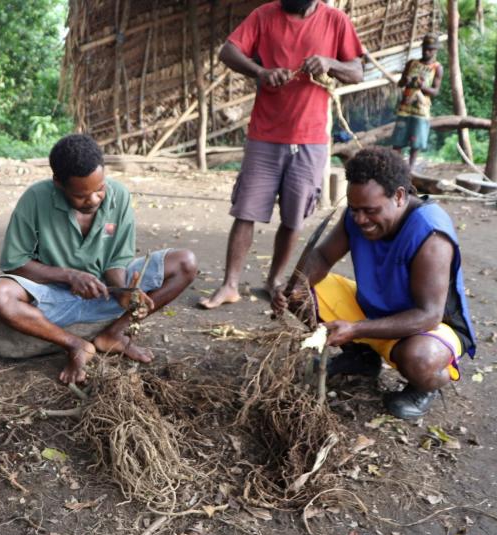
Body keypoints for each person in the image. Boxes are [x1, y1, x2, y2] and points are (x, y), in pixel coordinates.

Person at [272, 147, 477, 419]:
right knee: (302, 293)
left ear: (400, 196)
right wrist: (293, 288)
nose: (360, 220)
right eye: (354, 209)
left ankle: (425, 385)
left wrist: (356, 328)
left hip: (426, 328)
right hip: (372, 311)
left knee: (421, 359)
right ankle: (362, 357)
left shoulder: (431, 233)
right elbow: (321, 256)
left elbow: (428, 315)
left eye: (370, 211)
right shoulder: (357, 214)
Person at [0, 134, 197, 385]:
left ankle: (114, 333)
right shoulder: (36, 199)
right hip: (53, 299)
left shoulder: (119, 195)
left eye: (99, 189)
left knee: (185, 262)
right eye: (81, 196)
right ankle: (76, 344)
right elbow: (15, 262)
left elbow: (117, 259)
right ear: (59, 184)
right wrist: (69, 276)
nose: (94, 199)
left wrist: (124, 291)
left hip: (104, 292)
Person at [199, 0, 364, 310]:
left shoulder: (336, 21)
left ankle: (274, 280)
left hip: (311, 138)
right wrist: (259, 71)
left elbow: (356, 71)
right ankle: (230, 284)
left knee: (294, 215)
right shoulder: (264, 15)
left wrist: (330, 63)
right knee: (246, 211)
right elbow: (228, 51)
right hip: (265, 134)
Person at [391, 34, 444, 168]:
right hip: (405, 108)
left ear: (435, 50)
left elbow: (436, 92)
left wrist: (422, 87)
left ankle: (411, 169)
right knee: (398, 141)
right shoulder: (412, 63)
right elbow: (400, 84)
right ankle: (397, 167)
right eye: (425, 49)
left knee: (416, 143)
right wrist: (406, 81)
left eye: (430, 49)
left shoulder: (437, 68)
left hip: (421, 110)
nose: (427, 52)